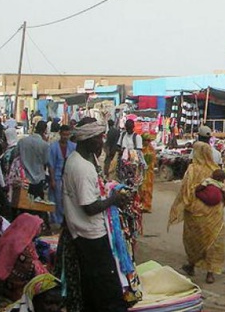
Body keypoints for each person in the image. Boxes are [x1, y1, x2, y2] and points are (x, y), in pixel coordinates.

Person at [60, 118, 131, 312]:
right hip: (91, 234)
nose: (102, 141)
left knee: (93, 283)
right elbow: (89, 207)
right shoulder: (82, 168)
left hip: (85, 231)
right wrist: (113, 199)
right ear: (88, 139)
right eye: (99, 137)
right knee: (106, 286)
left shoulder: (80, 159)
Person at [168, 140, 224, 284]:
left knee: (194, 240)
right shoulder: (215, 168)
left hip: (195, 211)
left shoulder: (192, 169)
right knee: (213, 240)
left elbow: (185, 190)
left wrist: (182, 205)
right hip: (214, 212)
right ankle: (210, 273)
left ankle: (191, 265)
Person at [0, 213, 48, 302]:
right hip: (12, 286)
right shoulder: (22, 247)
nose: (39, 230)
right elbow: (27, 270)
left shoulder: (11, 237)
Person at [48, 125, 75, 226]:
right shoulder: (53, 147)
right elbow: (51, 164)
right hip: (57, 177)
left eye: (68, 135)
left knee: (68, 199)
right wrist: (52, 180)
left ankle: (66, 219)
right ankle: (56, 221)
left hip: (68, 177)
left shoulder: (73, 146)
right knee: (56, 199)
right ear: (60, 134)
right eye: (64, 135)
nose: (65, 137)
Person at [19, 121, 50, 199]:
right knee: (36, 206)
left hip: (23, 178)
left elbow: (15, 156)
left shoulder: (22, 141)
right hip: (38, 179)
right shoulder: (44, 145)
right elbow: (46, 161)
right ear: (45, 130)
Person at [139, 133, 156, 213]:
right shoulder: (140, 149)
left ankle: (147, 205)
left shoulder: (151, 149)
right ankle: (140, 204)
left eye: (149, 140)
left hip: (149, 173)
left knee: (148, 189)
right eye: (146, 140)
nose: (147, 142)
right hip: (141, 172)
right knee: (141, 189)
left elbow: (153, 160)